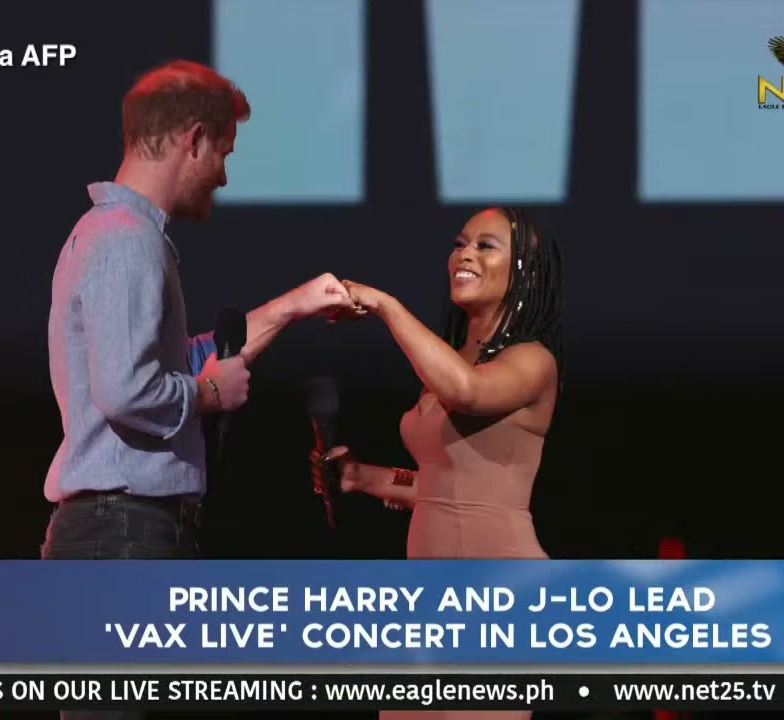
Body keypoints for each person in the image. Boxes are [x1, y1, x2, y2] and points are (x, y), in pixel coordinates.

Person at [41, 60, 351, 575]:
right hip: (123, 537)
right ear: (196, 139)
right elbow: (125, 390)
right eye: (224, 154)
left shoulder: (121, 235)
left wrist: (294, 305)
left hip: (125, 531)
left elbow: (178, 366)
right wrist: (208, 394)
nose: (223, 177)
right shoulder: (125, 239)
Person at [314, 206, 563, 720]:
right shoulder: (454, 360)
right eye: (459, 243)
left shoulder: (533, 361)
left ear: (524, 271)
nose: (464, 254)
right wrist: (362, 477)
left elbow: (467, 391)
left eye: (485, 246)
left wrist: (385, 305)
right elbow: (448, 487)